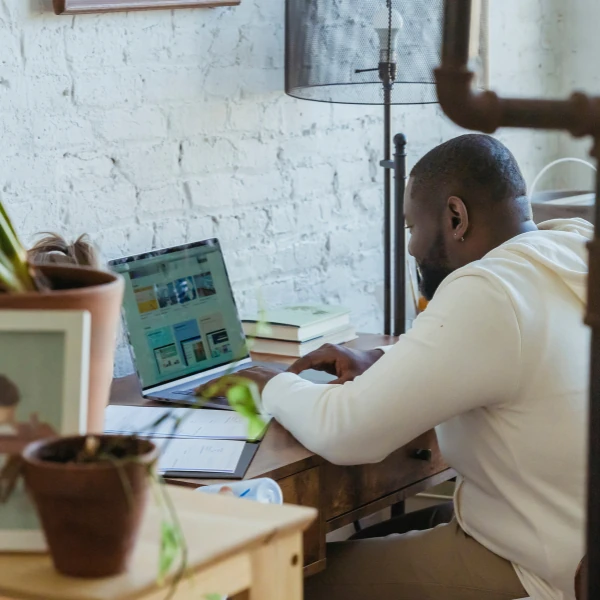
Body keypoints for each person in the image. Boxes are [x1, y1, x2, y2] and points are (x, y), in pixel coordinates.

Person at [199, 134, 589, 600]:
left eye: (410, 228)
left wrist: (272, 385)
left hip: (534, 568)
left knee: (277, 580)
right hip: (567, 541)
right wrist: (388, 358)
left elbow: (347, 430)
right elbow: (501, 351)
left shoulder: (488, 288)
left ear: (455, 217)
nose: (410, 248)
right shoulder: (573, 246)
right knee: (357, 543)